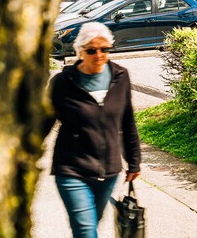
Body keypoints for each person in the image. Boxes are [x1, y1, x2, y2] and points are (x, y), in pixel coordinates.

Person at [48, 21, 141, 238]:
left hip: (108, 171)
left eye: (104, 49)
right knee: (86, 231)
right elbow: (43, 122)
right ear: (80, 52)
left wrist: (134, 161)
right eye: (91, 50)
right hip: (72, 170)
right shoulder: (62, 83)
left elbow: (127, 121)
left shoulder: (120, 76)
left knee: (91, 226)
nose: (98, 55)